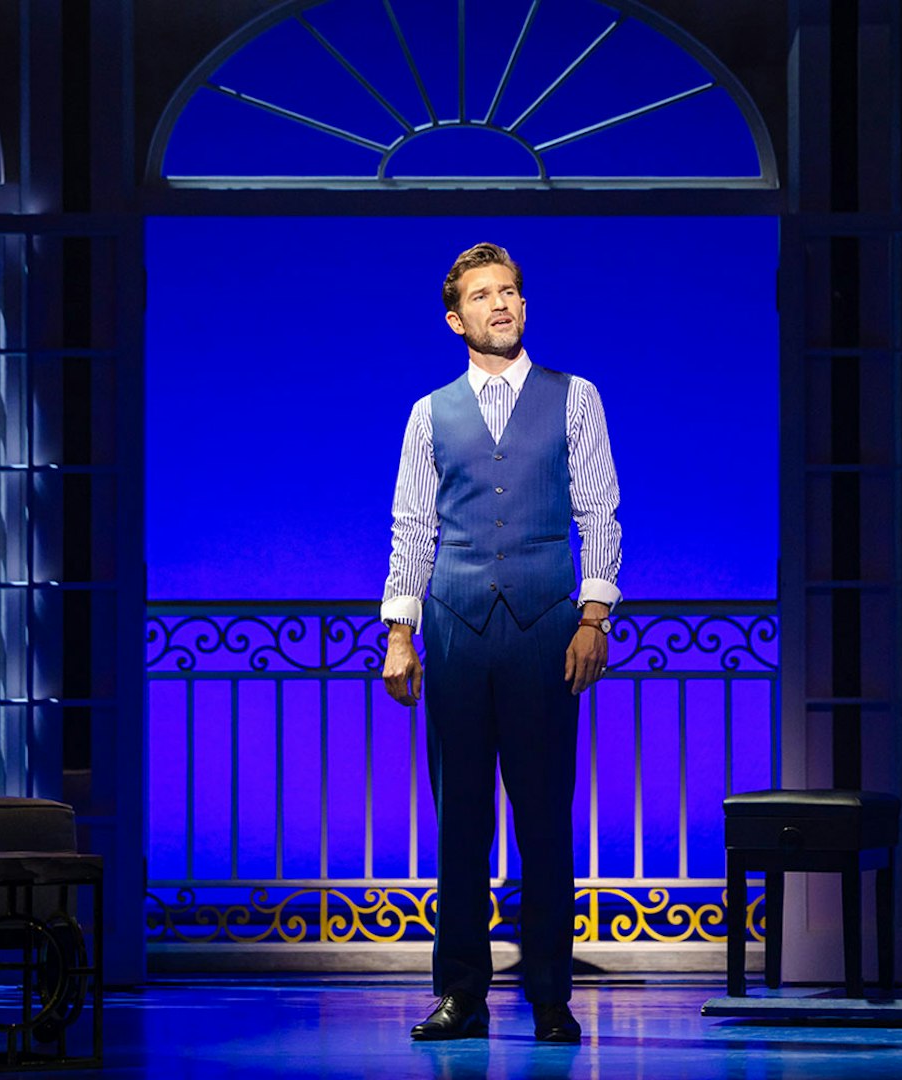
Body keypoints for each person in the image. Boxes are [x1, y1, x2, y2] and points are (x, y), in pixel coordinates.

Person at [380, 242, 623, 1044]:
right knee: (460, 825)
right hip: (454, 630)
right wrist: (399, 634)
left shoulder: (574, 397)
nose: (501, 305)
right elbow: (413, 527)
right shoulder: (429, 413)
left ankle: (551, 996)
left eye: (511, 291)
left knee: (546, 820)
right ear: (457, 319)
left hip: (545, 630)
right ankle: (461, 995)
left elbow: (599, 513)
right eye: (484, 295)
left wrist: (594, 619)